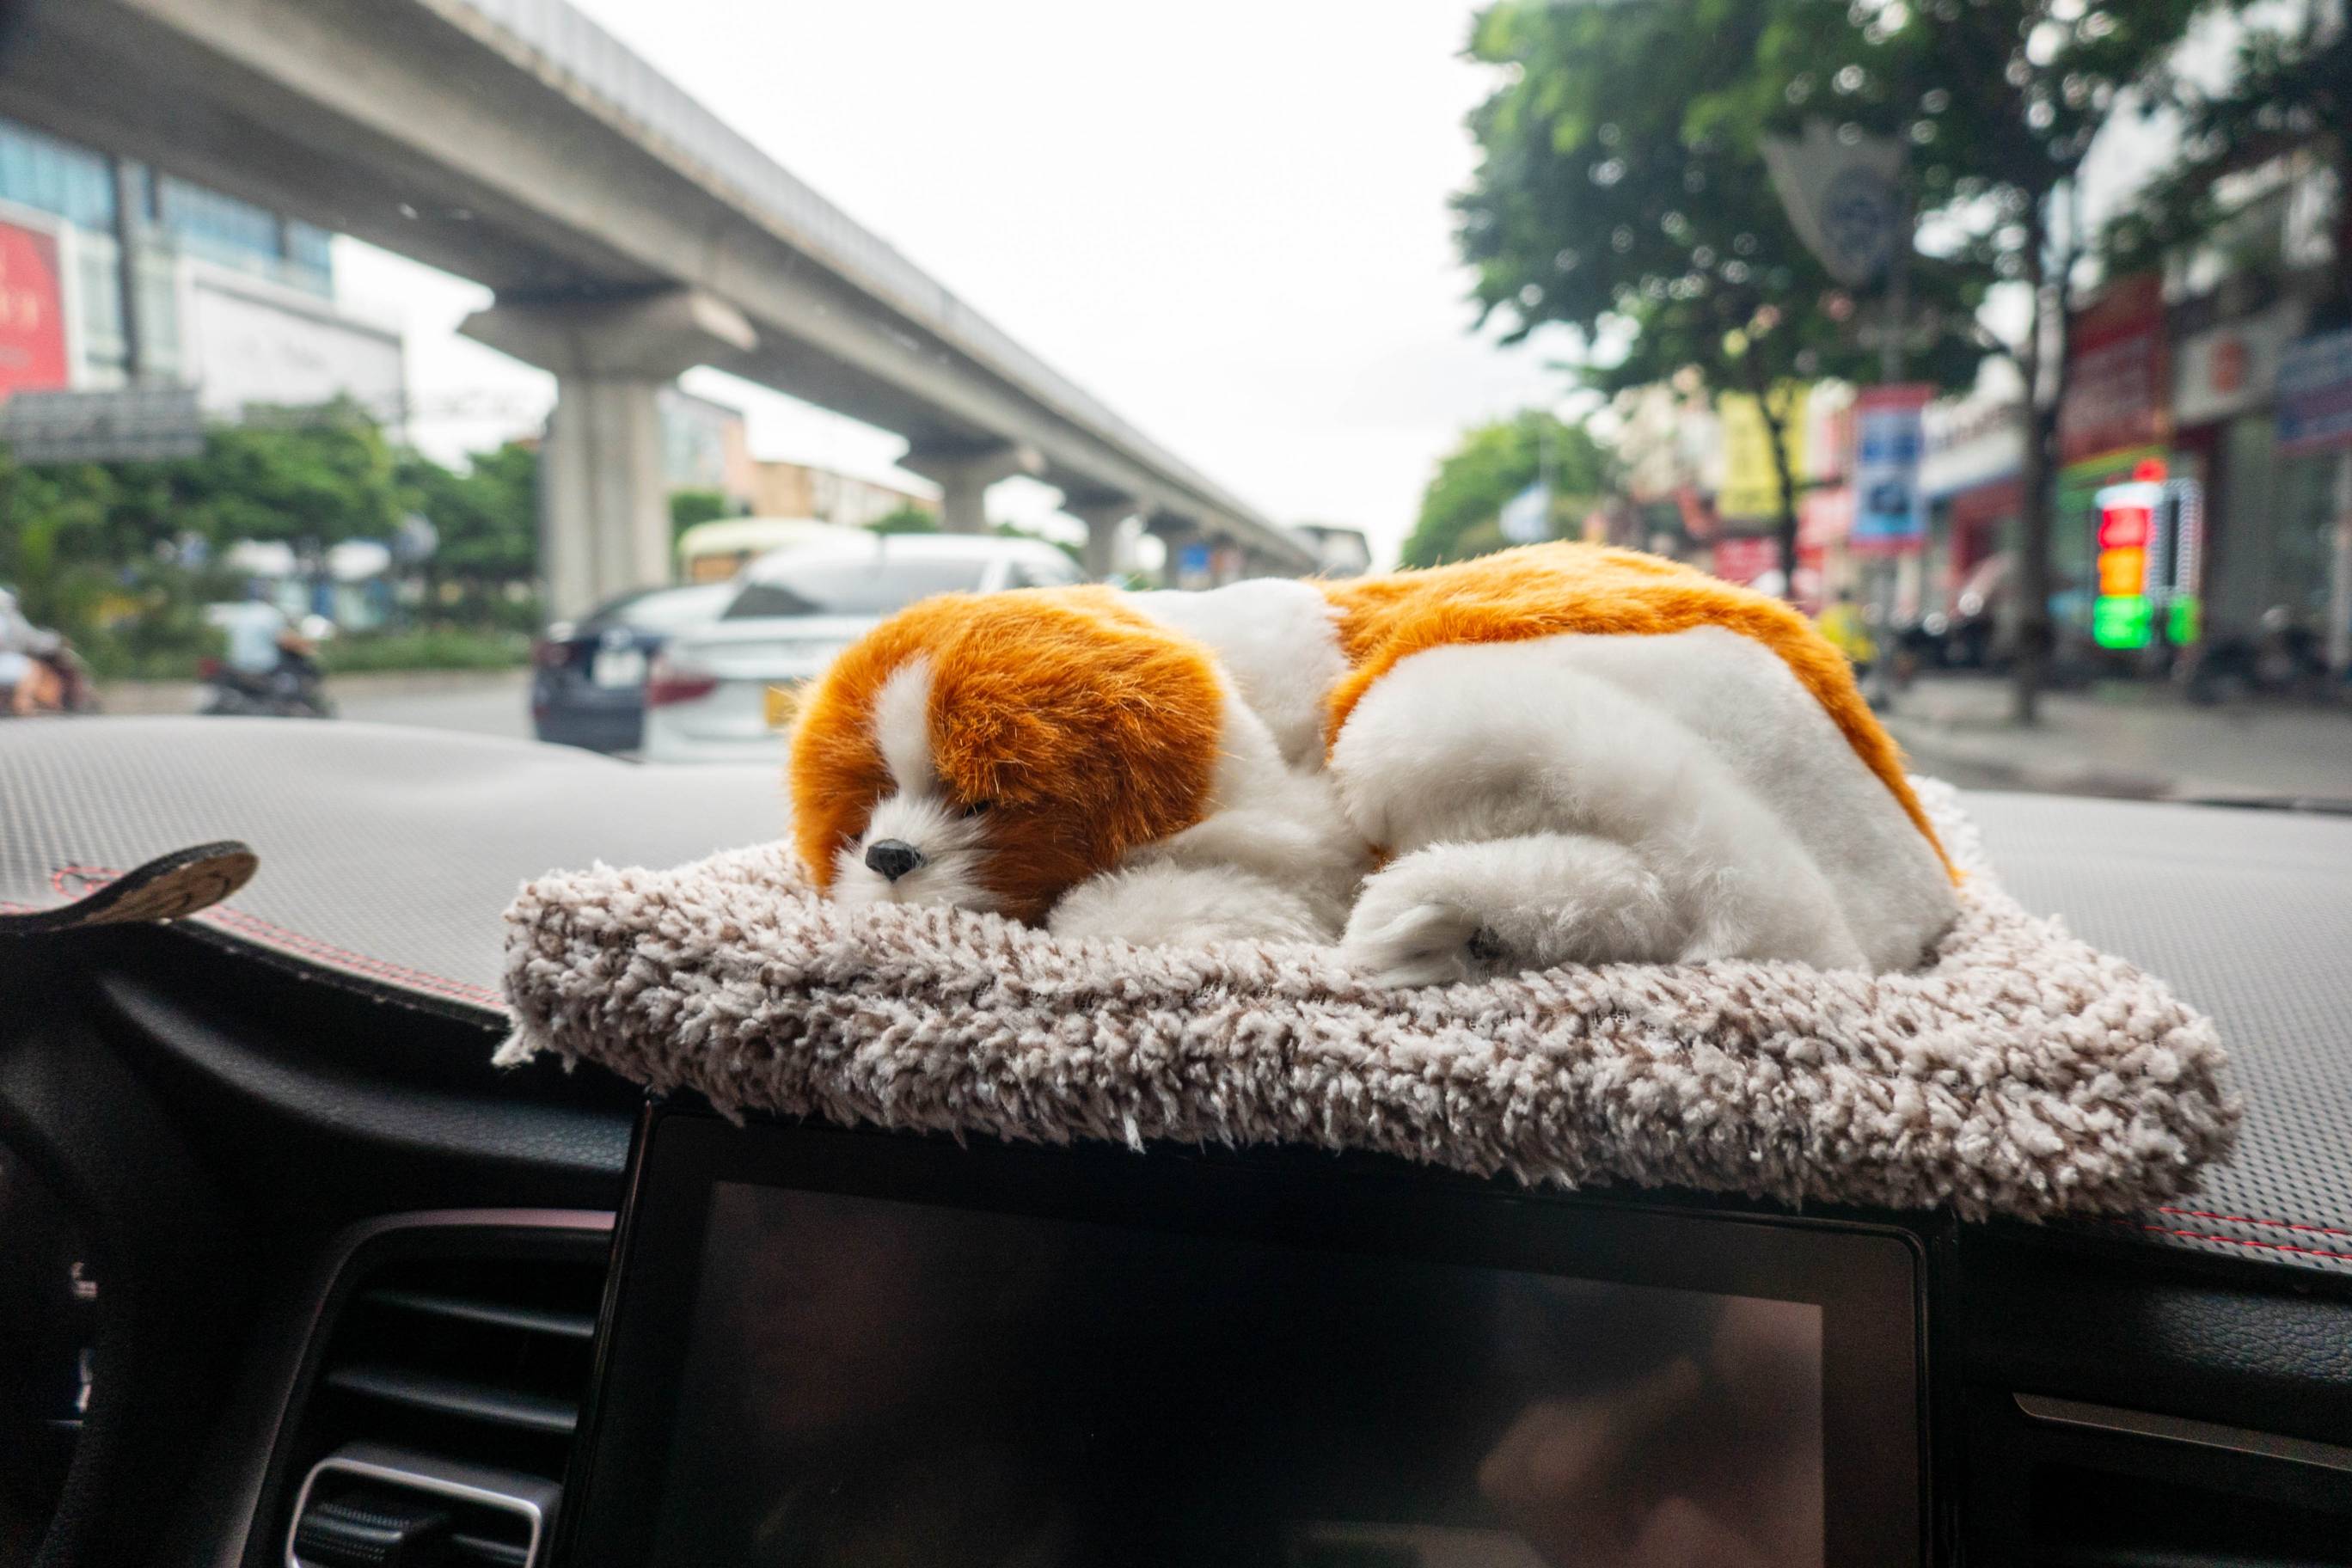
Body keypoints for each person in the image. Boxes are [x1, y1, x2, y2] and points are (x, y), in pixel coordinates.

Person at [1815, 588, 1875, 671]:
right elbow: (1865, 633)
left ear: (1837, 597)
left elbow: (1819, 635)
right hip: (1858, 658)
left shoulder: (1829, 614)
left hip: (1836, 656)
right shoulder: (1856, 613)